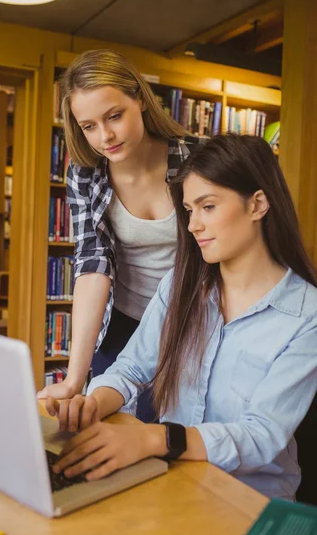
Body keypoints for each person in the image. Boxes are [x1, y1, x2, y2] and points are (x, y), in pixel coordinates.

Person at [42, 134, 317, 500]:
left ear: (258, 205)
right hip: (175, 483)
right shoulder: (179, 285)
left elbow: (261, 435)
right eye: (189, 210)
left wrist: (155, 437)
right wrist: (92, 405)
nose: (192, 226)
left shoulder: (306, 315)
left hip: (250, 503)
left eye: (208, 207)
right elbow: (131, 369)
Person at [38, 49, 191, 421]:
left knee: (172, 429)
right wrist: (75, 377)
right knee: (109, 424)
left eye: (115, 116)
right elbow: (92, 266)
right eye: (89, 126)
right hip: (122, 323)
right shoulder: (85, 175)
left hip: (189, 322)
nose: (105, 136)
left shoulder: (198, 161)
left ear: (139, 97)